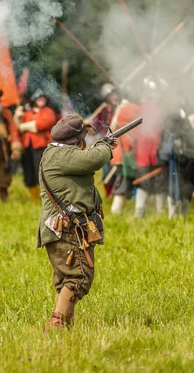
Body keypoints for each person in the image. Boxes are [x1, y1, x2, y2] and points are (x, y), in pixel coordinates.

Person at [38, 114, 115, 330]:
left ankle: (64, 323)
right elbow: (93, 159)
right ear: (77, 140)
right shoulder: (63, 155)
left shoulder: (56, 153)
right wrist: (106, 147)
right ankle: (57, 323)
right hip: (68, 229)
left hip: (64, 227)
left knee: (67, 278)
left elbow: (88, 160)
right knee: (79, 276)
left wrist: (102, 145)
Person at [14, 89, 57, 203]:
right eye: (38, 98)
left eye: (42, 98)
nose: (41, 100)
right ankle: (35, 200)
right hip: (27, 146)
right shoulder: (28, 113)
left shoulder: (48, 111)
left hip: (42, 145)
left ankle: (46, 199)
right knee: (29, 173)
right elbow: (18, 127)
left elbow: (42, 124)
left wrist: (25, 126)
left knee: (41, 173)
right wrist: (17, 116)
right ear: (34, 100)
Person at [134, 79, 167, 217]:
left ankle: (140, 212)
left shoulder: (142, 106)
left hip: (148, 153)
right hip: (154, 152)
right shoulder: (162, 108)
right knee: (155, 185)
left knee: (145, 184)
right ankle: (154, 212)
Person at [109, 98, 141, 215]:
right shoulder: (130, 110)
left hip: (118, 155)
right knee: (124, 184)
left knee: (122, 182)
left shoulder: (120, 111)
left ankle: (116, 211)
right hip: (125, 155)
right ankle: (115, 212)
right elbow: (132, 139)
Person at [88, 84, 120, 198]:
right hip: (106, 143)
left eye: (116, 94)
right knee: (107, 171)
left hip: (119, 143)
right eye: (112, 95)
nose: (115, 97)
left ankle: (117, 195)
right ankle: (108, 196)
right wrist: (90, 126)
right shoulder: (103, 111)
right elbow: (96, 126)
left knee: (119, 172)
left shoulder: (121, 109)